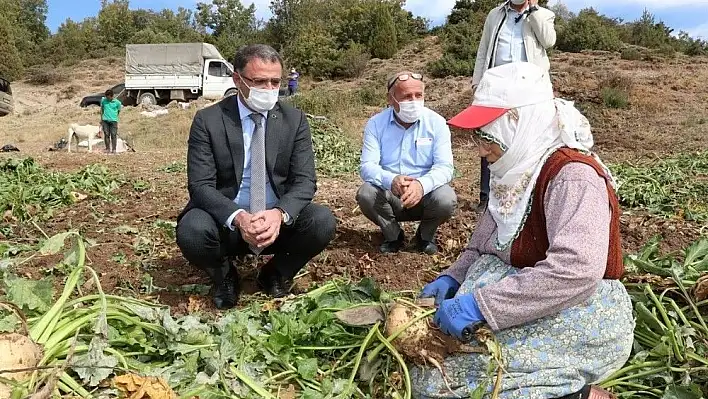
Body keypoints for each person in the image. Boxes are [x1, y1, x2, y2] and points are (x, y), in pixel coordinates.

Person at [414, 62, 634, 399]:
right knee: (428, 370)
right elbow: (483, 243)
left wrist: (481, 306)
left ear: (518, 124)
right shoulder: (513, 172)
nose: (480, 148)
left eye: (487, 135)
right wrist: (454, 277)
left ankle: (581, 394)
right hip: (516, 297)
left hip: (574, 307)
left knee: (449, 384)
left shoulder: (573, 176)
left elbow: (576, 271)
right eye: (477, 136)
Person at [176, 44, 337, 310]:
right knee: (192, 230)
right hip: (227, 223)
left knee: (322, 221)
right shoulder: (209, 120)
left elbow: (305, 180)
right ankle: (225, 276)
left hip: (275, 224)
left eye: (275, 81)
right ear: (237, 79)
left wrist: (279, 214)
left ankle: (276, 273)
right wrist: (239, 218)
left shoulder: (293, 120)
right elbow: (200, 185)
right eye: (259, 81)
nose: (269, 89)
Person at [356, 71, 456, 255]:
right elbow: (367, 166)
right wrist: (391, 180)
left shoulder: (437, 123)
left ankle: (425, 236)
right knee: (366, 194)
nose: (414, 101)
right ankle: (393, 236)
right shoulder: (376, 124)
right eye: (407, 96)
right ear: (391, 98)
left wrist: (421, 185)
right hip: (391, 195)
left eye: (419, 96)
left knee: (446, 198)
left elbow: (445, 167)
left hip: (426, 196)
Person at [472, 0, 556, 212]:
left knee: (528, 141)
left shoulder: (544, 14)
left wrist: (534, 10)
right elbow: (483, 49)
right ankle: (487, 196)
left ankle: (527, 195)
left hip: (528, 91)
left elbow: (548, 40)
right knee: (491, 139)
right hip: (497, 89)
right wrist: (477, 82)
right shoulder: (495, 14)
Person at [100, 89, 122, 154]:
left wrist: (114, 117)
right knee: (106, 134)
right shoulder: (103, 101)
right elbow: (102, 110)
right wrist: (101, 119)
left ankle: (114, 149)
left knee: (113, 135)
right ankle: (107, 149)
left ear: (112, 96)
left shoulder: (117, 103)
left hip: (114, 121)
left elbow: (118, 111)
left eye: (108, 97)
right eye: (106, 97)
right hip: (105, 120)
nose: (107, 98)